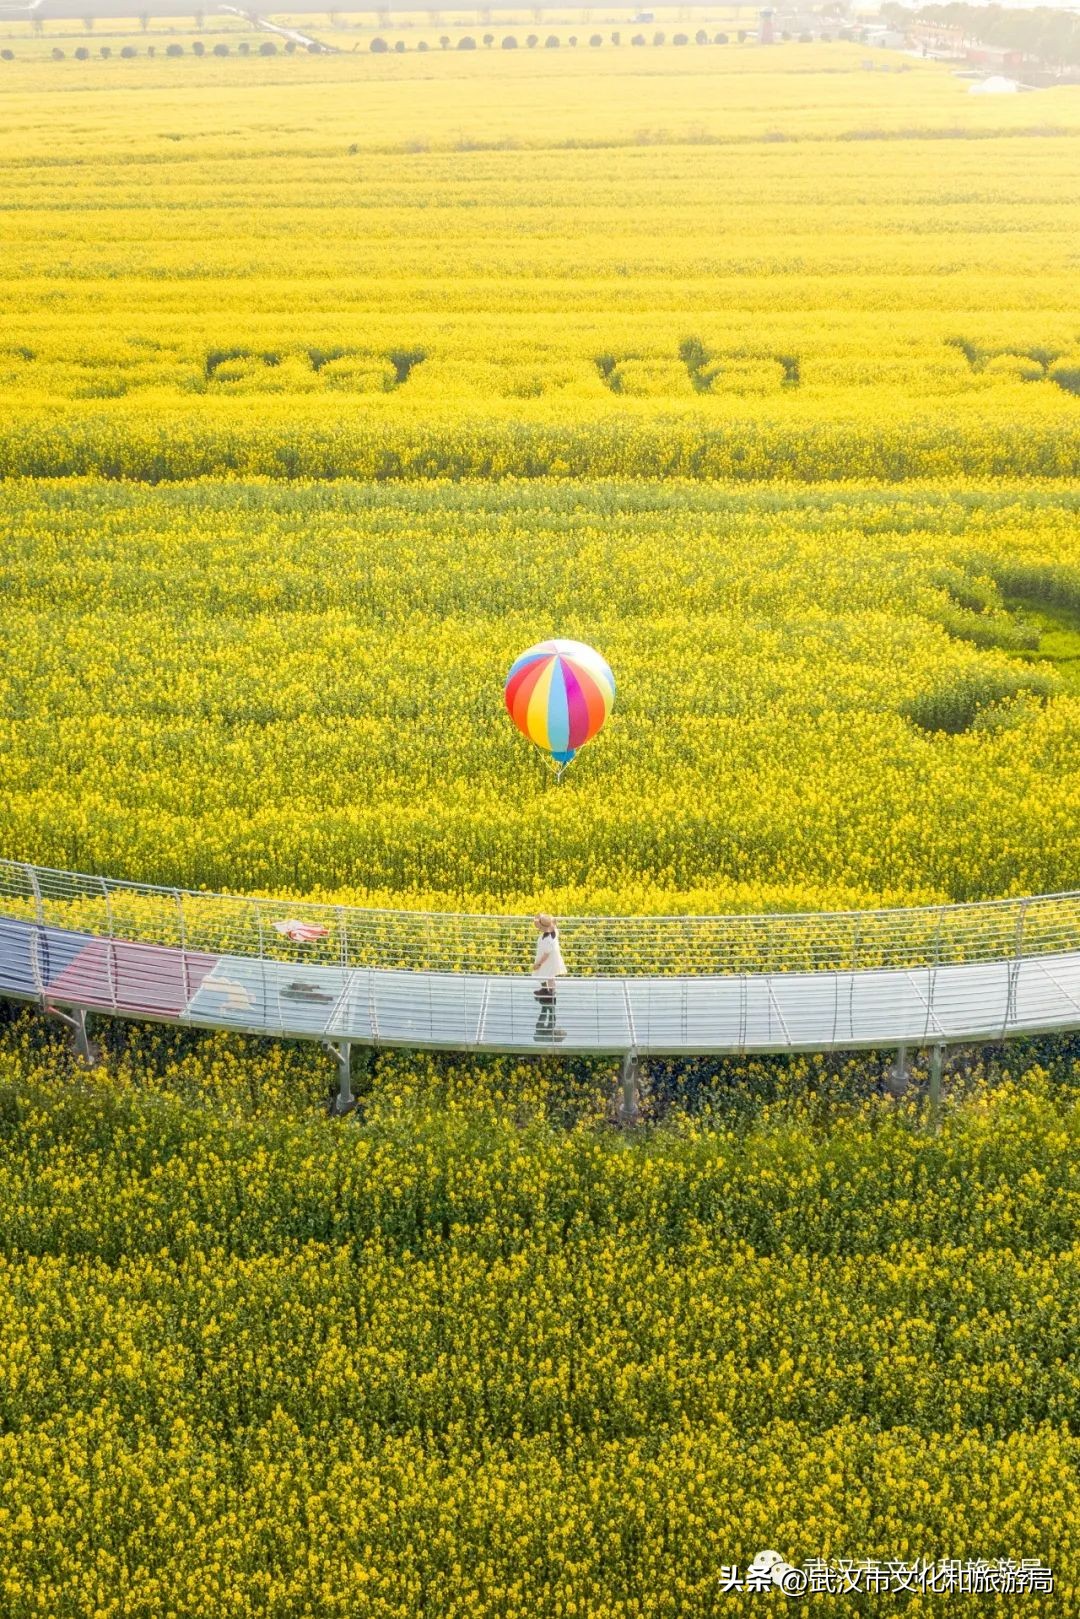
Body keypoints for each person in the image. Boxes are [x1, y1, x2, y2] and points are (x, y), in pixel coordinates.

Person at [532, 913, 566, 1004]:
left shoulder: (549, 939)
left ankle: (549, 994)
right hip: (551, 960)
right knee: (550, 976)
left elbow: (546, 955)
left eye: (540, 927)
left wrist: (538, 964)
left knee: (541, 974)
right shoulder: (553, 931)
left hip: (547, 960)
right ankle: (549, 993)